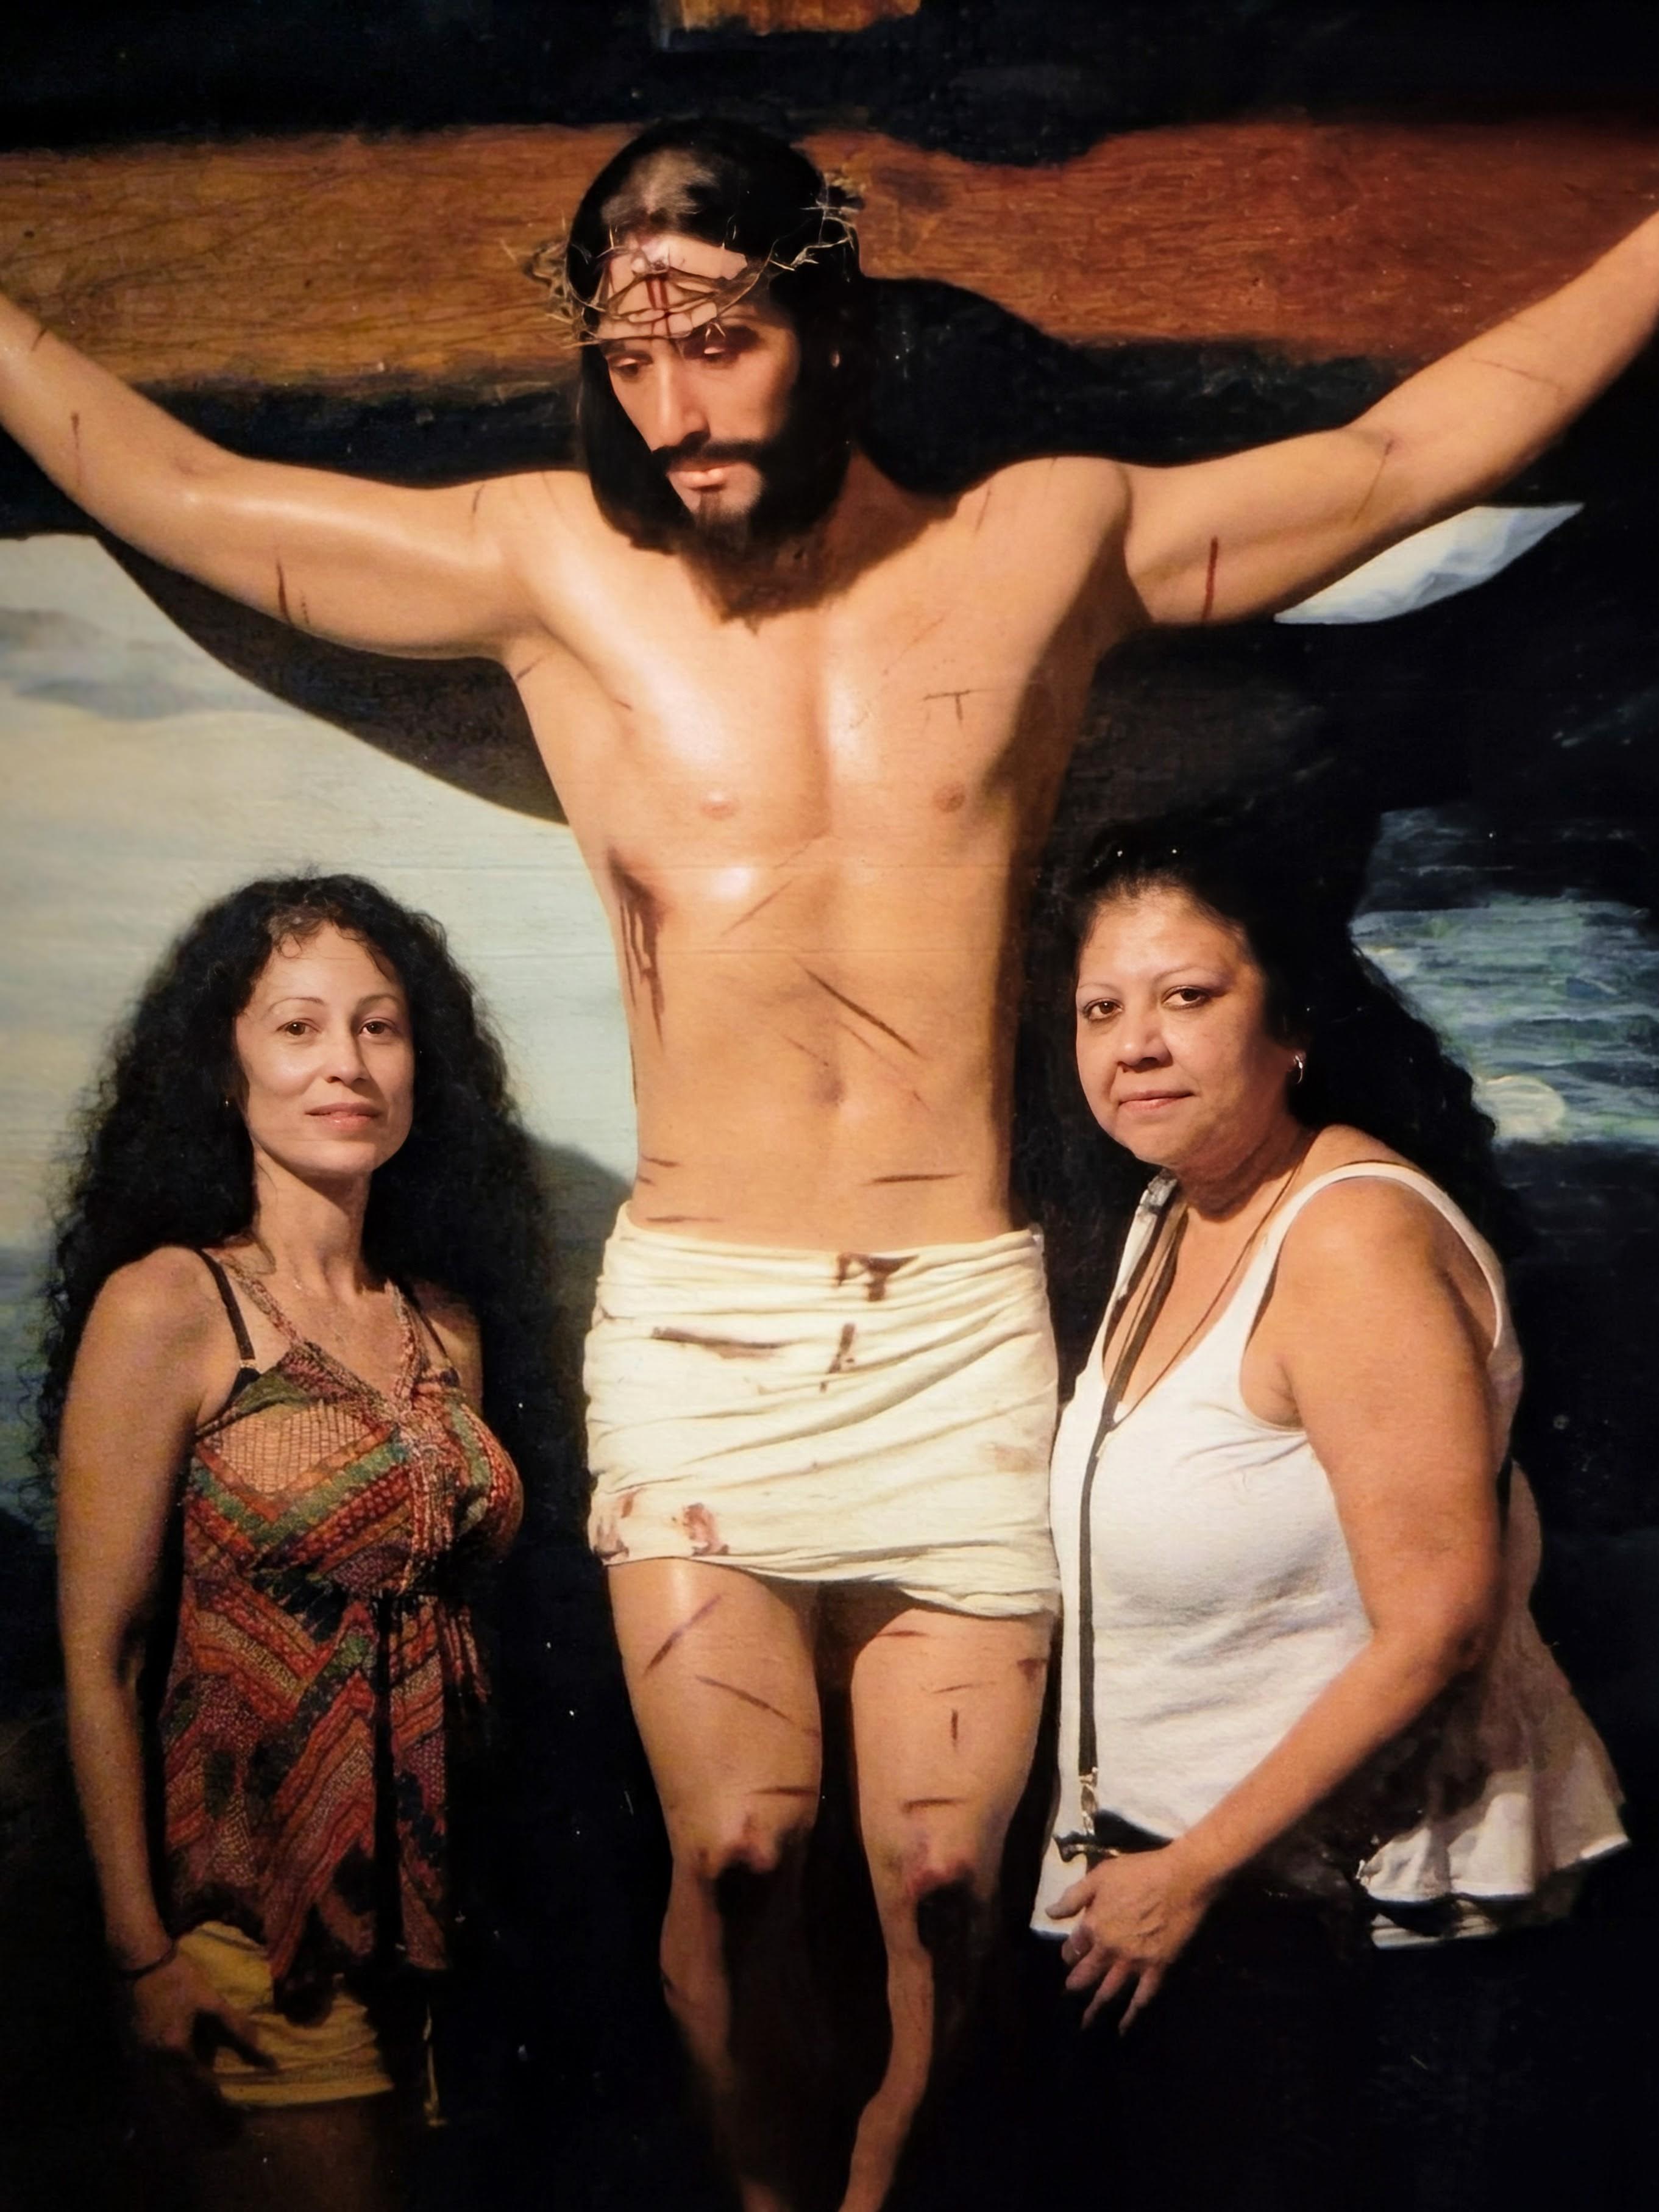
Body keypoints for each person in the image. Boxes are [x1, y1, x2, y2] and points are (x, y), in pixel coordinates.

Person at [4, 118, 1657, 2210]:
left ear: (828, 317)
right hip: (703, 1319)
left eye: (719, 339)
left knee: (952, 1881)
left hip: (953, 1316)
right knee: (738, 1845)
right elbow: (187, 495)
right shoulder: (553, 572)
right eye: (629, 356)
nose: (673, 408)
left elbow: (1410, 458)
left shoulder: (1043, 548)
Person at [1027, 814, 1627, 2210]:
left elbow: (1436, 1628)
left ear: (1287, 1019)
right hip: (1194, 1912)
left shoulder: (1347, 1234)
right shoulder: (1169, 1210)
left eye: (1187, 998)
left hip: (1359, 1932)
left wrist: (1189, 1872)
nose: (1135, 1045)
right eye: (1099, 1009)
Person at [43, 875, 544, 2212]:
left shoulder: (445, 1323)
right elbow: (103, 1655)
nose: (347, 1065)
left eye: (380, 1029)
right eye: (299, 1029)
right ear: (226, 1067)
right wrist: (143, 1955)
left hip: (441, 1937)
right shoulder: (173, 1306)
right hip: (251, 1933)